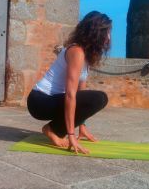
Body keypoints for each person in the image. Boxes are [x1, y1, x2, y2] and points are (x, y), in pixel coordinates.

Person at [27, 11, 112, 154]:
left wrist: (82, 126)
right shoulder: (76, 52)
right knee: (99, 98)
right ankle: (52, 129)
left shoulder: (87, 55)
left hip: (52, 100)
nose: (108, 38)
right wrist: (71, 135)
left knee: (98, 98)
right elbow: (70, 95)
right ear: (95, 33)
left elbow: (81, 94)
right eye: (106, 33)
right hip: (39, 101)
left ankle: (54, 128)